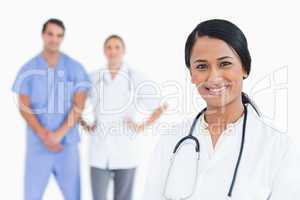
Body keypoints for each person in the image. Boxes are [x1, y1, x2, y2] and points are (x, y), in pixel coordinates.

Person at [143, 19, 300, 200]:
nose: (214, 77)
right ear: (192, 75)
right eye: (201, 66)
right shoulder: (170, 141)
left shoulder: (279, 148)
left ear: (245, 68)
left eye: (224, 64)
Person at [80, 35, 166, 200]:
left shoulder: (135, 76)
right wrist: (85, 124)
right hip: (99, 150)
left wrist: (141, 126)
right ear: (104, 51)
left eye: (117, 47)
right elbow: (75, 104)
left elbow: (160, 106)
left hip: (126, 150)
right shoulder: (93, 77)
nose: (113, 51)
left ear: (124, 50)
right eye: (109, 47)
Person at [12, 18, 90, 200]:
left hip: (67, 145)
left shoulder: (75, 68)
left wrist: (58, 134)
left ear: (63, 38)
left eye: (59, 35)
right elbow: (24, 107)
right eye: (50, 34)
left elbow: (79, 106)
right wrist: (44, 134)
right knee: (31, 195)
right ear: (43, 35)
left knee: (73, 195)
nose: (54, 39)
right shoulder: (28, 69)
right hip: (38, 145)